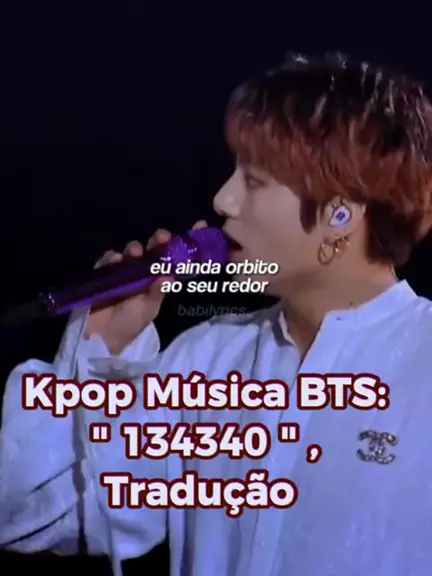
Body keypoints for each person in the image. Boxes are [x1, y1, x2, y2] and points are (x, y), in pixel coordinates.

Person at [2, 52, 432, 576]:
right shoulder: (205, 361)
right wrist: (100, 349)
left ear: (339, 214)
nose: (223, 199)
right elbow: (33, 516)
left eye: (255, 180)